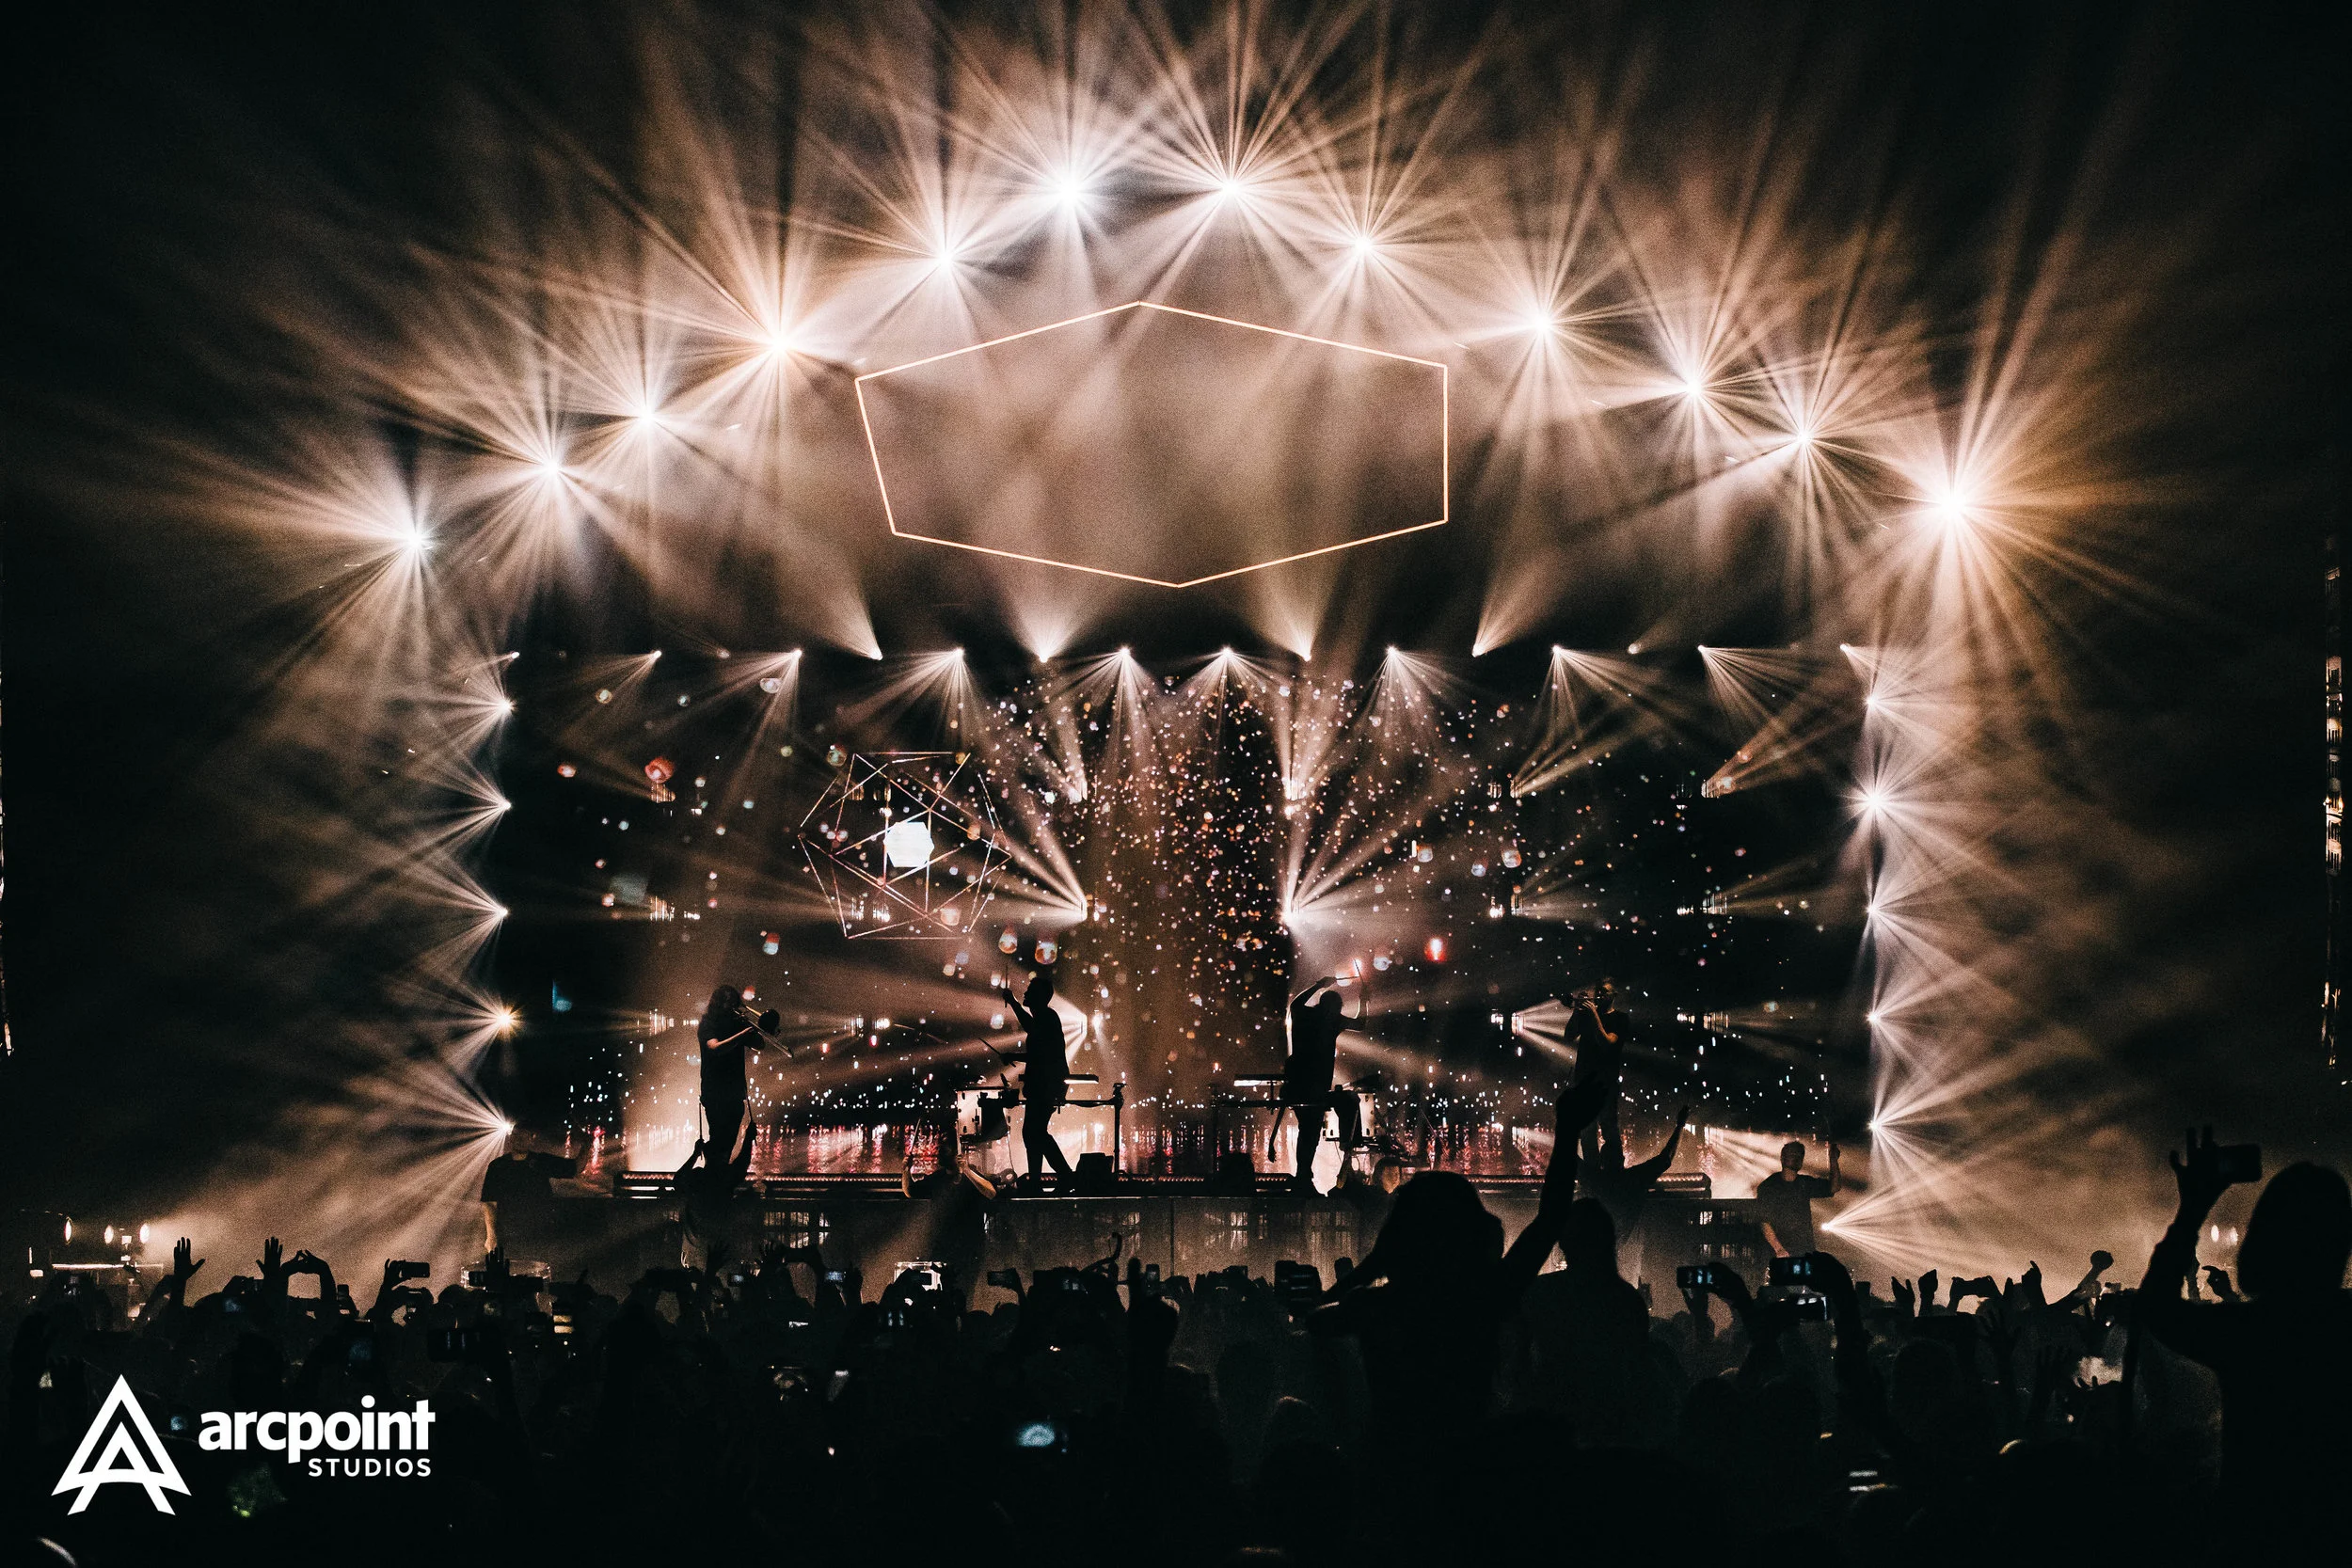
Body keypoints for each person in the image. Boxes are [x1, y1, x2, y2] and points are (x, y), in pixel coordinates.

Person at [2137, 1129, 2352, 1548]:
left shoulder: (2251, 1331)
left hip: (2251, 1534)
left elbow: (2157, 1308)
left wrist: (2193, 1208)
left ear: (2266, 1239)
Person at [1278, 974, 1361, 1191]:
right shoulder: (1333, 1020)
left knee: (1309, 1130)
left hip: (1297, 1087)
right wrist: (1364, 1001)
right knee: (1345, 1105)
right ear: (1337, 1007)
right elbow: (1362, 1023)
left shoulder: (1307, 1015)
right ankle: (1344, 1149)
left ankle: (1304, 1176)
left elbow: (1295, 1004)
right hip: (1313, 1089)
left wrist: (1318, 985)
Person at [696, 984, 780, 1173]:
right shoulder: (708, 1024)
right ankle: (715, 1182)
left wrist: (760, 1028)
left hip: (735, 1091)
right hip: (715, 1091)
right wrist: (742, 1034)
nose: (731, 1006)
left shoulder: (736, 1023)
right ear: (717, 1003)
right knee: (719, 1141)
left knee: (729, 1143)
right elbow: (715, 1048)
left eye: (734, 1002)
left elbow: (760, 1045)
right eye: (727, 1002)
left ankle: (719, 1179)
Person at [1003, 970, 1073, 1190]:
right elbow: (1041, 1054)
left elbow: (1034, 1036)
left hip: (1046, 1086)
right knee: (1034, 1133)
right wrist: (1014, 1057)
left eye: (1030, 991)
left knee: (1035, 1133)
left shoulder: (1047, 1018)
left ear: (1041, 997)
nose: (1025, 993)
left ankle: (1062, 1175)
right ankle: (1041, 1180)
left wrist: (1013, 1003)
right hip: (1045, 1085)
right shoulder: (1046, 1019)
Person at [480, 1131, 576, 1259]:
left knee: (540, 1274)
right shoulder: (497, 1166)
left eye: (525, 1136)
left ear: (532, 1139)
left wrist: (587, 1145)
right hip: (508, 1237)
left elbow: (576, 1168)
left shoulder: (542, 1162)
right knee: (510, 1274)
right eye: (517, 1135)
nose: (520, 1139)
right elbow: (489, 1202)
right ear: (511, 1138)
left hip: (541, 1236)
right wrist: (491, 1236)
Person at [1754, 1137, 1840, 1258]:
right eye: (1793, 1154)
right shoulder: (1769, 1186)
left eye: (1800, 1155)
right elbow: (1764, 1221)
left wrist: (1833, 1160)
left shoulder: (1805, 1183)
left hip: (1804, 1250)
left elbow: (1833, 1188)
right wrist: (1779, 1249)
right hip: (1780, 1253)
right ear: (1782, 1158)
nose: (1797, 1158)